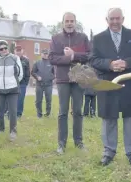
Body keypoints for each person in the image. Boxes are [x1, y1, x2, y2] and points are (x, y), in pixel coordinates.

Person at [89, 8, 131, 169]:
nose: (115, 22)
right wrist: (110, 64)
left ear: (123, 19)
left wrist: (127, 63)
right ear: (106, 19)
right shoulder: (98, 38)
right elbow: (93, 59)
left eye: (118, 18)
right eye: (111, 19)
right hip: (107, 83)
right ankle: (108, 152)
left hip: (130, 83)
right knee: (109, 119)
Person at [49, 12, 90, 154]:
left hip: (79, 78)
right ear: (63, 22)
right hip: (63, 79)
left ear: (75, 22)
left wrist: (74, 55)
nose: (69, 23)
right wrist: (68, 59)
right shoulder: (56, 38)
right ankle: (61, 144)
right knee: (63, 112)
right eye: (67, 21)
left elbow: (89, 56)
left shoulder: (83, 38)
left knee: (78, 111)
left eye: (72, 21)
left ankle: (79, 142)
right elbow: (53, 58)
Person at [0, 40, 23, 140]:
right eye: (1, 49)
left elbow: (19, 73)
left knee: (13, 111)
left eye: (5, 48)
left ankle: (13, 131)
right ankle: (0, 128)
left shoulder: (15, 58)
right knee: (0, 110)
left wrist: (13, 81)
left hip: (12, 88)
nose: (4, 50)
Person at [31, 49, 54, 118]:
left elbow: (55, 73)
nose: (45, 55)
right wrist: (37, 77)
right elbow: (33, 72)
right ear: (41, 54)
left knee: (48, 100)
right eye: (44, 54)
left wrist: (51, 78)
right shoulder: (37, 63)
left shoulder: (51, 63)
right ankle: (39, 114)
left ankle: (47, 113)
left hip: (49, 85)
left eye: (47, 54)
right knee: (38, 100)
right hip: (39, 85)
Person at [15, 46, 30, 119]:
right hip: (13, 83)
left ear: (22, 51)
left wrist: (26, 82)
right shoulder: (11, 59)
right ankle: (9, 112)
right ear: (15, 51)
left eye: (19, 50)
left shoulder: (26, 60)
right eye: (17, 50)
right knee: (12, 99)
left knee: (20, 99)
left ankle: (19, 114)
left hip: (22, 83)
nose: (18, 52)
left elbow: (27, 73)